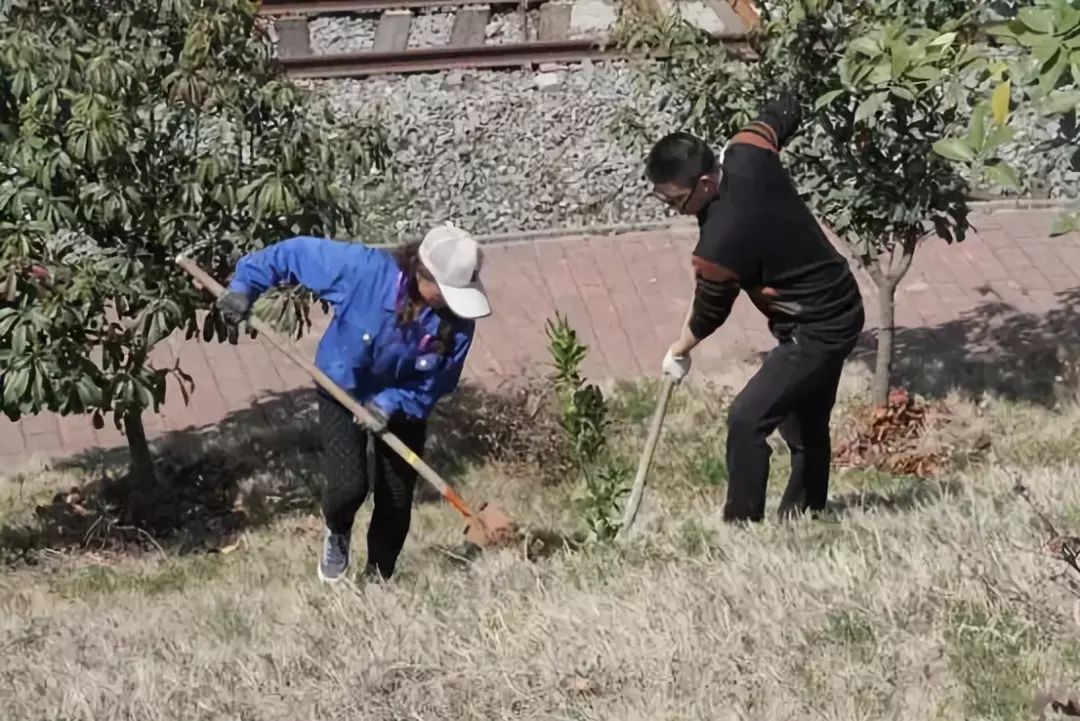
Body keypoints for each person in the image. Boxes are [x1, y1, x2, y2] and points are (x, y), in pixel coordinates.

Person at [215, 223, 491, 583]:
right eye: (447, 291)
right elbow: (293, 253)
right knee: (348, 487)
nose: (455, 303)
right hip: (342, 386)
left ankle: (378, 577)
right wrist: (243, 288)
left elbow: (439, 380)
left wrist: (392, 402)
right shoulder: (363, 271)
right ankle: (338, 533)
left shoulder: (457, 323)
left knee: (395, 496)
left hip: (404, 403)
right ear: (424, 275)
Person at [645, 91, 865, 523]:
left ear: (705, 185)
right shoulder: (747, 149)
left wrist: (679, 348)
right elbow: (780, 114)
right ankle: (806, 513)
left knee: (748, 419)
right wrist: (793, 94)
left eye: (676, 201)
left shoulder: (722, 240)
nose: (673, 210)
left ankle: (742, 524)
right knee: (804, 419)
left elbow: (710, 311)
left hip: (817, 325)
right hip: (837, 298)